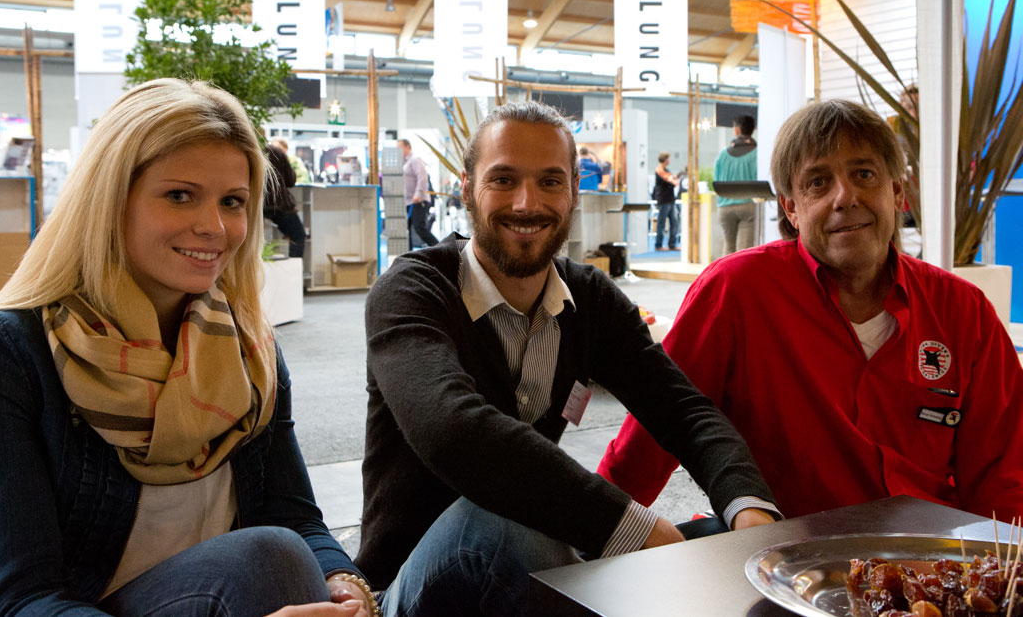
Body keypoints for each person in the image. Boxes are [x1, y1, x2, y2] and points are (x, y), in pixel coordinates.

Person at [358, 100, 780, 616]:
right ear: (466, 189)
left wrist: (749, 515)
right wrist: (637, 529)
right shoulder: (412, 290)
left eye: (551, 182)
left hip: (534, 555)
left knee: (721, 544)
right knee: (502, 525)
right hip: (412, 588)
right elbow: (456, 431)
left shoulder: (590, 300)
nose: (526, 203)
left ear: (574, 192)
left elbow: (684, 411)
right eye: (504, 180)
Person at [0, 79, 376, 617]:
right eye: (180, 195)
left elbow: (297, 516)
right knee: (267, 558)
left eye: (233, 202)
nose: (214, 227)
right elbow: (22, 600)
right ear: (109, 199)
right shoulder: (17, 354)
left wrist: (346, 585)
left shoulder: (250, 348)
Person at [598, 100, 1023, 522]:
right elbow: (657, 429)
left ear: (897, 192)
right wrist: (592, 539)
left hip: (923, 567)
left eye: (864, 174)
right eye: (818, 182)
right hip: (784, 561)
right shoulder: (735, 293)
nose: (845, 197)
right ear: (791, 208)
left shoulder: (963, 311)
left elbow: (1005, 478)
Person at [713, 114, 758, 255]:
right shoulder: (757, 153)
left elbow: (716, 178)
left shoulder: (722, 155)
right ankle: (742, 277)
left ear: (737, 130)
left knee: (728, 247)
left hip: (725, 207)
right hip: (748, 205)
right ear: (752, 130)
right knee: (744, 251)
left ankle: (727, 276)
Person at [265, 144, 306, 258]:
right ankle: (293, 273)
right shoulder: (277, 152)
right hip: (278, 205)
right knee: (298, 236)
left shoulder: (247, 150)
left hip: (255, 206)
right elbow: (291, 181)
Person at [398, 138, 439, 250]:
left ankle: (440, 248)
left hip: (418, 200)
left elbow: (422, 177)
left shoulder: (415, 159)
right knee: (406, 229)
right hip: (408, 201)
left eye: (400, 147)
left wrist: (418, 194)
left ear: (407, 147)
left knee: (419, 227)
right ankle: (409, 255)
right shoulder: (404, 162)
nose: (398, 150)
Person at [653, 152, 680, 251]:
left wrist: (673, 180)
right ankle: (658, 245)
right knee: (661, 223)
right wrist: (673, 181)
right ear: (664, 159)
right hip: (663, 200)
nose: (669, 160)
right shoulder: (659, 170)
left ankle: (672, 244)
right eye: (668, 158)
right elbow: (671, 181)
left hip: (670, 199)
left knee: (674, 222)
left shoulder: (666, 170)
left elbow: (673, 181)